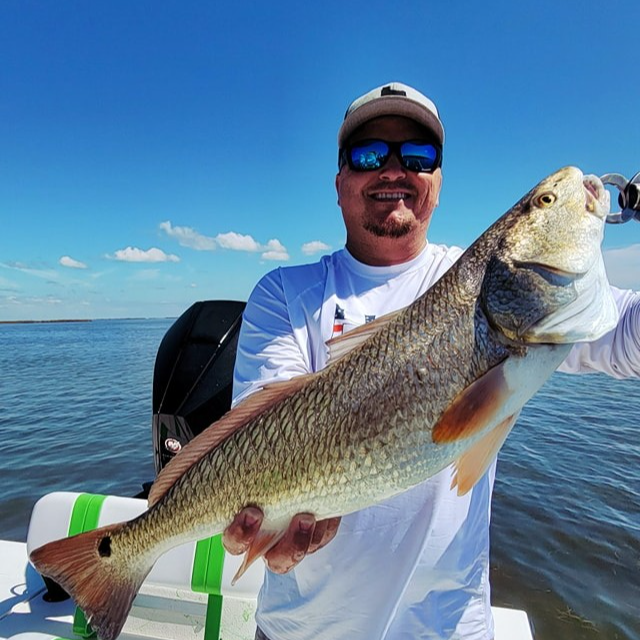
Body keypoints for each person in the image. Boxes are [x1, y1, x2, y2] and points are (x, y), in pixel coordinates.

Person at [221, 82, 640, 640]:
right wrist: (271, 537)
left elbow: (629, 339)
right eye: (369, 154)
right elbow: (260, 432)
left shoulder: (508, 292)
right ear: (340, 182)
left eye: (419, 156)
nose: (394, 170)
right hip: (301, 630)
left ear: (438, 183)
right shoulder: (285, 294)